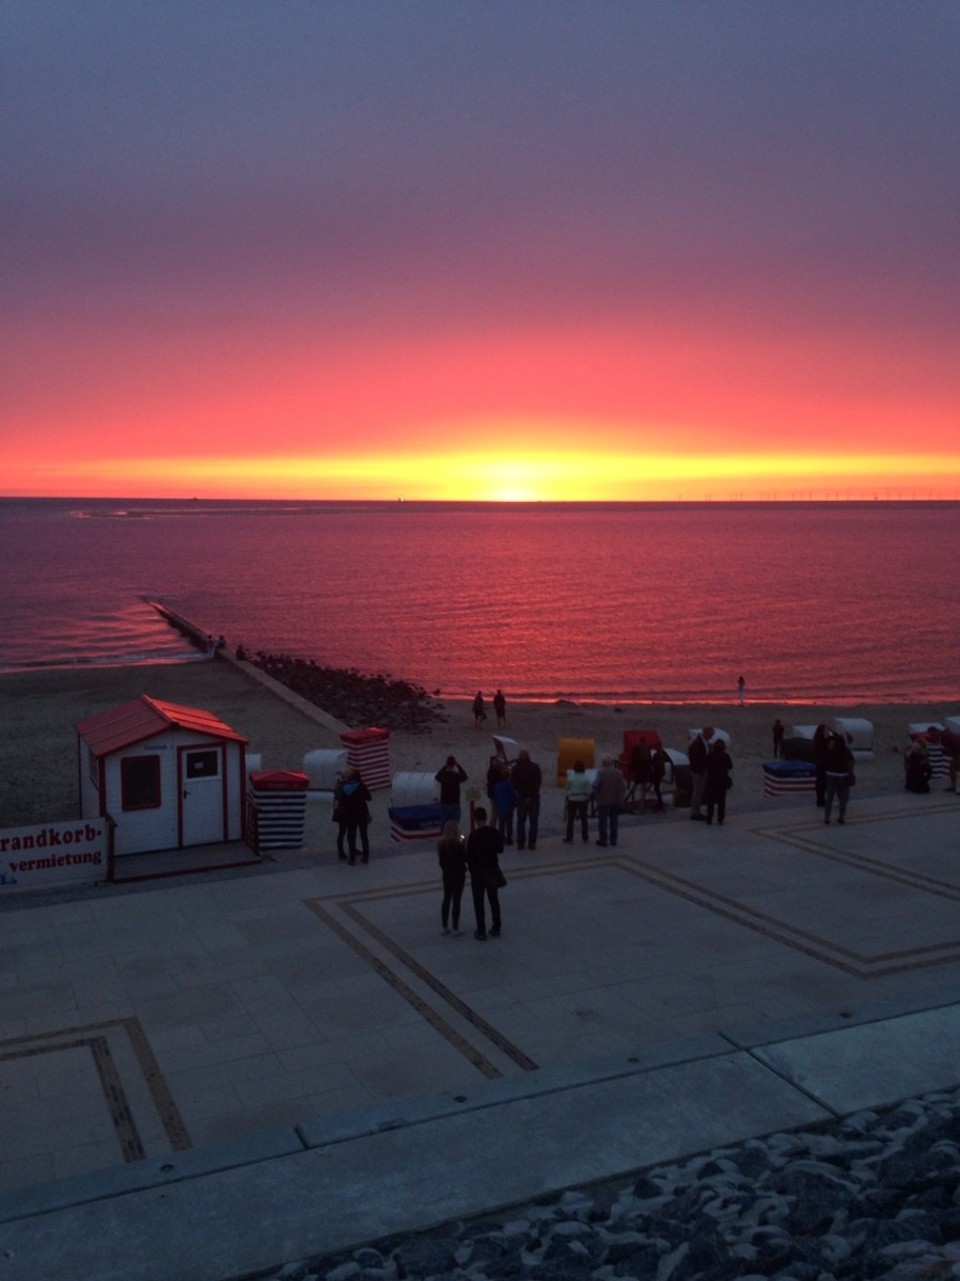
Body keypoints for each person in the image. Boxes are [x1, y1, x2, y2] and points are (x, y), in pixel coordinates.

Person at [466, 807, 504, 940]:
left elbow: (469, 857)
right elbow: (500, 849)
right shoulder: (493, 831)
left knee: (479, 902)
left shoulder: (473, 836)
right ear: (486, 817)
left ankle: (481, 930)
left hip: (478, 872)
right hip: (492, 869)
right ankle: (496, 926)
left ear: (475, 819)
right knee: (494, 899)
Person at [437, 819, 468, 935]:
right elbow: (465, 857)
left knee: (446, 898)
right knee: (457, 900)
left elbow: (441, 861)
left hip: (447, 874)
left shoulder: (441, 843)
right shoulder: (459, 842)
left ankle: (445, 925)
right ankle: (455, 926)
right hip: (459, 873)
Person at [511, 748, 542, 850]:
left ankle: (521, 842)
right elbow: (538, 783)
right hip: (534, 798)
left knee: (521, 821)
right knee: (533, 821)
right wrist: (532, 794)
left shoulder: (516, 769)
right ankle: (532, 842)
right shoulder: (535, 767)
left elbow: (514, 785)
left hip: (522, 797)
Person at [339, 768, 372, 863]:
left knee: (351, 836)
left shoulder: (345, 788)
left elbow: (342, 802)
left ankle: (352, 858)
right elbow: (369, 798)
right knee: (364, 835)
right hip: (362, 813)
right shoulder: (361, 786)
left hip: (350, 814)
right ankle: (366, 857)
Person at [593, 755, 625, 847]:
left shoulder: (600, 773)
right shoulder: (618, 773)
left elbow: (595, 785)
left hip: (603, 800)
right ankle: (613, 839)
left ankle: (603, 839)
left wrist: (597, 796)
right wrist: (621, 799)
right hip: (615, 800)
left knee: (602, 820)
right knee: (614, 820)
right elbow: (622, 787)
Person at [824, 732, 855, 824]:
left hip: (831, 774)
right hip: (843, 775)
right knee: (842, 798)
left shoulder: (830, 751)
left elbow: (825, 760)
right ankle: (841, 817)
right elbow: (851, 763)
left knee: (829, 797)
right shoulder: (846, 752)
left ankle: (827, 817)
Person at [688, 727, 715, 820]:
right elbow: (696, 758)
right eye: (711, 734)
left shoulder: (700, 742)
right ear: (706, 733)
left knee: (699, 791)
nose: (712, 737)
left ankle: (696, 810)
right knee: (697, 791)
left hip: (700, 770)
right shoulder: (698, 743)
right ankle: (695, 812)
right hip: (698, 771)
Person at [563, 760, 592, 843]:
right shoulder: (586, 778)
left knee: (570, 819)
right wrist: (587, 796)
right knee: (584, 818)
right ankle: (585, 836)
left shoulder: (571, 777)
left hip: (572, 799)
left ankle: (569, 836)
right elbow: (589, 790)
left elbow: (567, 788)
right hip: (582, 799)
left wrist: (568, 795)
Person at [705, 739, 733, 826]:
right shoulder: (726, 756)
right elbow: (730, 766)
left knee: (710, 801)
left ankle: (709, 818)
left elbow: (706, 766)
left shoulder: (710, 756)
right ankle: (720, 818)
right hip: (722, 780)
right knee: (721, 801)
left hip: (712, 780)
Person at [493, 764, 516, 846]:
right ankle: (509, 837)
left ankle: (501, 838)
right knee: (509, 823)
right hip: (509, 807)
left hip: (501, 806)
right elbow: (513, 796)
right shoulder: (511, 785)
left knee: (501, 824)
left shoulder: (497, 785)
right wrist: (514, 804)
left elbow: (496, 796)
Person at [629, 738, 653, 811]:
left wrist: (632, 770)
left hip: (638, 772)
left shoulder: (636, 749)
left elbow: (633, 761)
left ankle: (640, 803)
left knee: (637, 787)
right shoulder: (647, 749)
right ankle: (642, 804)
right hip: (646, 772)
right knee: (644, 788)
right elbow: (650, 761)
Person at [331, 768, 349, 860]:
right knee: (342, 832)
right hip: (343, 813)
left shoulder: (339, 785)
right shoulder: (341, 787)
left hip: (341, 812)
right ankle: (341, 852)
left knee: (346, 831)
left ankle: (344, 850)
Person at [813, 723, 831, 808]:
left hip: (822, 763)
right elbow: (826, 749)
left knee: (821, 782)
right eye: (826, 730)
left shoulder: (820, 740)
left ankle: (820, 799)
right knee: (822, 782)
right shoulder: (821, 741)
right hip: (822, 763)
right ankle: (821, 800)